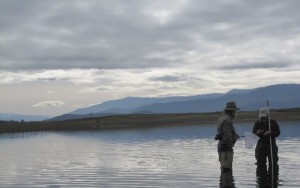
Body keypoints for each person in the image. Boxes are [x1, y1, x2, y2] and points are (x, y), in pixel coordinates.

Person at [216, 101, 240, 172]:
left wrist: (235, 136)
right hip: (226, 149)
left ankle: (224, 182)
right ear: (232, 111)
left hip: (222, 147)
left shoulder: (222, 118)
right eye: (235, 111)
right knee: (227, 170)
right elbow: (227, 137)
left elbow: (224, 133)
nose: (235, 113)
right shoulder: (227, 120)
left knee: (223, 169)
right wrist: (230, 145)